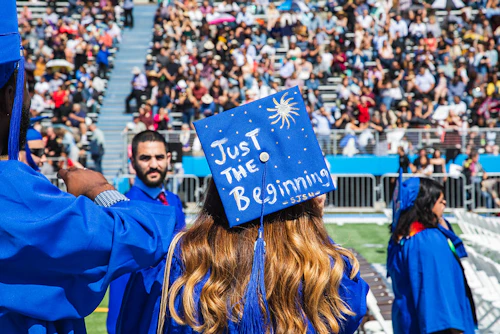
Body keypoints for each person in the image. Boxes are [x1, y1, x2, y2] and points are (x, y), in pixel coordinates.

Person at [117, 87, 368, 334]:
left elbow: (136, 323)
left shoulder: (183, 262)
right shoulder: (326, 270)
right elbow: (351, 313)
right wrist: (313, 227)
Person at [0, 2, 178, 331]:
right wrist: (98, 189)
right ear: (10, 93)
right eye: (27, 85)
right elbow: (144, 235)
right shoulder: (17, 194)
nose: (30, 96)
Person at [107, 131, 186, 334]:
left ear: (168, 158)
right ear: (132, 162)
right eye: (145, 158)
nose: (153, 164)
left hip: (173, 311)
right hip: (138, 315)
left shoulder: (173, 200)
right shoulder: (124, 208)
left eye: (159, 157)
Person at [387, 175, 477, 333]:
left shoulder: (406, 237)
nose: (444, 202)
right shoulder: (427, 242)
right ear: (425, 204)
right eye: (439, 199)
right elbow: (438, 308)